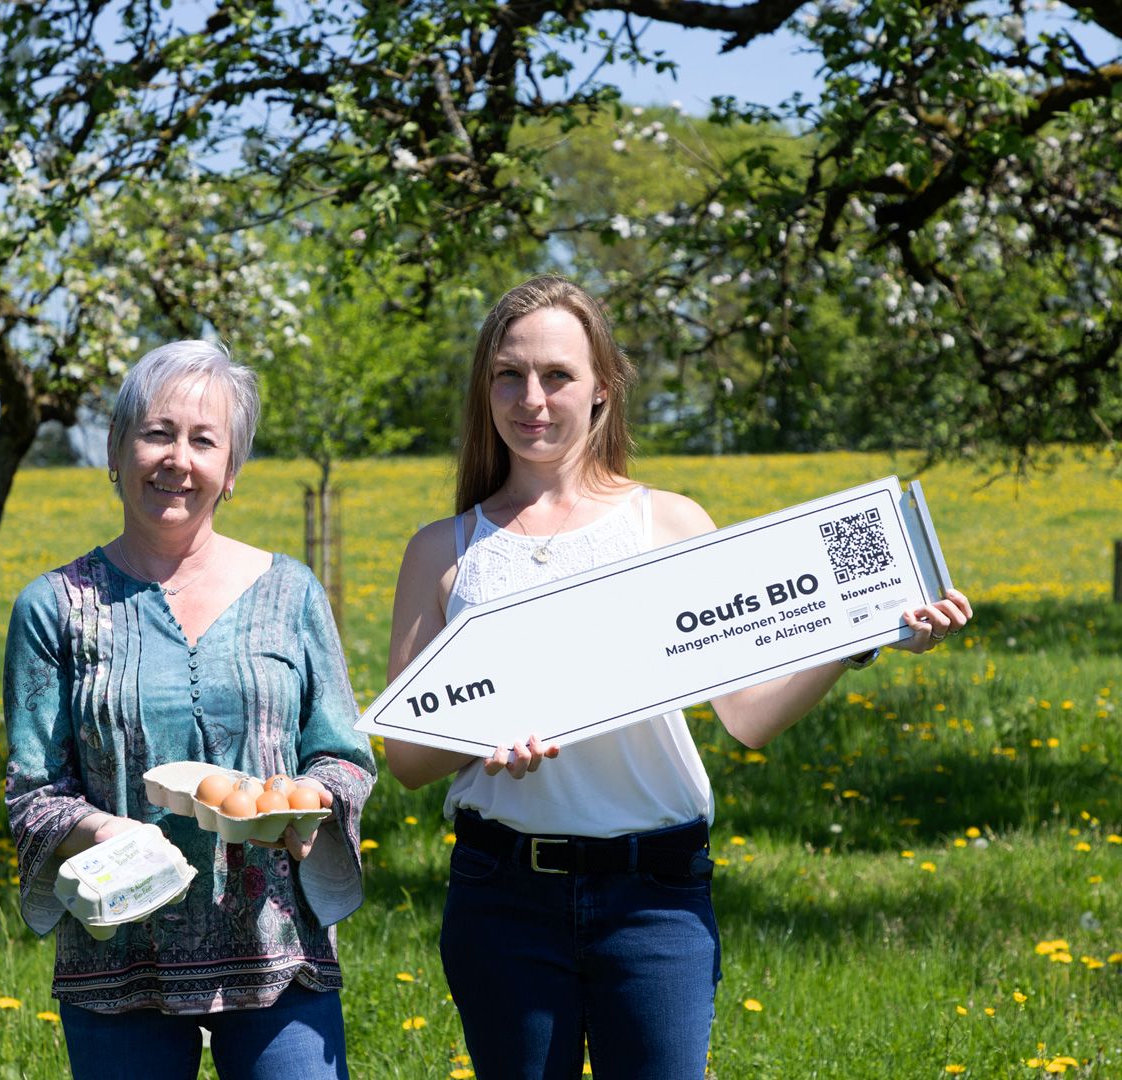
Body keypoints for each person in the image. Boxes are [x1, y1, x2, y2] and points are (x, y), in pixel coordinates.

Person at [383, 276, 973, 1080]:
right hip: (502, 897)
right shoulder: (441, 549)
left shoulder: (669, 523)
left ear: (602, 388)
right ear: (484, 388)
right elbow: (409, 759)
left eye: (557, 375)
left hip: (655, 899)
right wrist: (481, 733)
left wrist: (858, 638)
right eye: (509, 375)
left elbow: (749, 717)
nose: (532, 399)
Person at [5, 340, 377, 1080]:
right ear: (115, 451)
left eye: (204, 441)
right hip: (117, 957)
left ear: (231, 470)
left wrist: (302, 804)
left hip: (279, 952)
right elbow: (34, 793)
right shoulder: (55, 608)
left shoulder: (291, 592)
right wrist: (107, 832)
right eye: (157, 433)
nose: (178, 459)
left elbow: (343, 755)